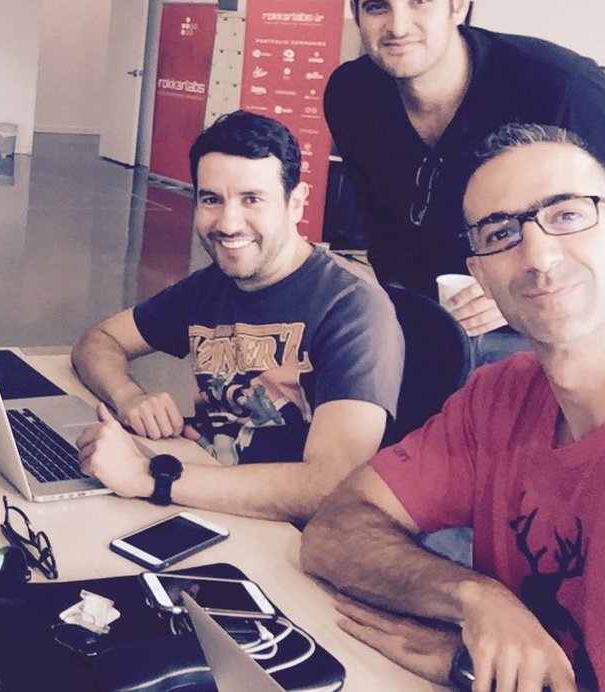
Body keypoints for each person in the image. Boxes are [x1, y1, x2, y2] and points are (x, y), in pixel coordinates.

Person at [300, 124, 605, 692]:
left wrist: (468, 669)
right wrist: (476, 598)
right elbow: (334, 530)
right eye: (501, 233)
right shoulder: (498, 396)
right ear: (481, 278)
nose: (538, 255)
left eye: (568, 214)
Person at [324, 0, 605, 365]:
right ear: (356, 12)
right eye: (377, 7)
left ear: (458, 1)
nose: (398, 26)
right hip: (435, 324)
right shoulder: (351, 96)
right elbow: (382, 230)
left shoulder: (558, 85)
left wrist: (520, 283)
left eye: (420, 1)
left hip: (557, 319)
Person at [73, 111, 402, 522]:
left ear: (295, 203)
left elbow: (331, 486)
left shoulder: (353, 309)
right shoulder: (212, 286)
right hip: (205, 497)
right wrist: (128, 397)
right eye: (211, 199)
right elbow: (99, 341)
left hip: (288, 534)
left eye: (252, 199)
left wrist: (149, 476)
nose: (228, 224)